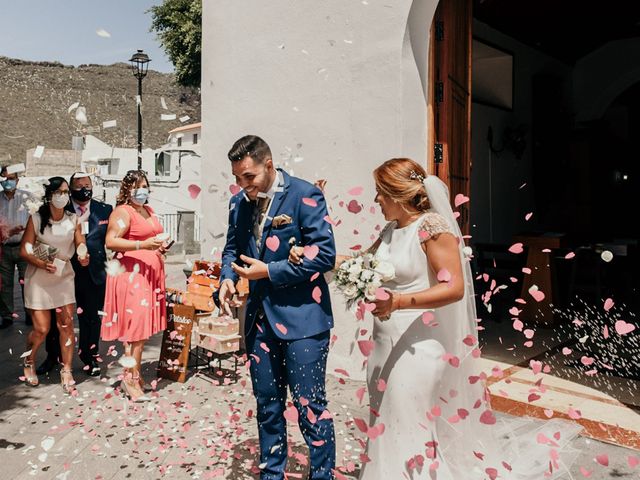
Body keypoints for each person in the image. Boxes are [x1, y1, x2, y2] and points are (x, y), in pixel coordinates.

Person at [290, 158, 581, 479]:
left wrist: (399, 301)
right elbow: (360, 263)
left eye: (380, 193)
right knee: (385, 422)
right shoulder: (391, 231)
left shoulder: (431, 228)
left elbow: (454, 286)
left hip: (419, 349)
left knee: (410, 427)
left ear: (398, 194)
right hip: (385, 345)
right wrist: (313, 254)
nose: (376, 201)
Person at [218, 135, 336, 480]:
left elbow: (324, 255)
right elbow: (231, 250)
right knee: (267, 406)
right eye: (238, 178)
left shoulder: (305, 195)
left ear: (269, 165)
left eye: (249, 177)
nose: (243, 186)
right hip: (258, 322)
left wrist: (268, 270)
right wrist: (227, 278)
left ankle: (323, 475)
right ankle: (271, 474)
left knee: (310, 408)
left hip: (305, 323)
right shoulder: (238, 203)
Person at [37, 172, 113, 377]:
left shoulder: (105, 210)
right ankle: (53, 357)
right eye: (79, 186)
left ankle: (90, 357)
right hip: (64, 273)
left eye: (87, 185)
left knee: (92, 318)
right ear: (70, 189)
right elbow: (41, 241)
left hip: (94, 273)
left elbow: (113, 239)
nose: (84, 189)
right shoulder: (58, 209)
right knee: (58, 318)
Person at [101, 170, 168, 401]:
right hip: (132, 277)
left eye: (145, 185)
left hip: (150, 276)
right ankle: (129, 380)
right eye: (137, 186)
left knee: (143, 331)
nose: (142, 190)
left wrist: (160, 247)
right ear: (127, 190)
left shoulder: (148, 210)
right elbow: (111, 241)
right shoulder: (123, 211)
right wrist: (143, 245)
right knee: (136, 330)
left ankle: (134, 375)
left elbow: (153, 238)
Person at [19, 176, 89, 392]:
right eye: (59, 192)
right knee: (41, 328)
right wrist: (41, 263)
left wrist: (83, 254)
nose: (64, 196)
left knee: (66, 325)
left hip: (63, 276)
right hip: (39, 278)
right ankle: (29, 361)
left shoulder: (73, 218)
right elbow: (25, 249)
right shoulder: (36, 219)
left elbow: (80, 243)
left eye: (66, 192)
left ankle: (66, 369)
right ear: (50, 195)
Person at [0, 165, 33, 328]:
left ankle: (29, 313)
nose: (8, 182)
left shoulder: (27, 198)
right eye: (4, 179)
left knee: (26, 281)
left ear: (17, 180)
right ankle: (7, 315)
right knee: (5, 283)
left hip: (23, 246)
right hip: (3, 248)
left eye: (11, 179)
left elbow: (35, 221)